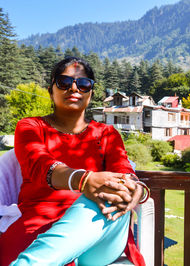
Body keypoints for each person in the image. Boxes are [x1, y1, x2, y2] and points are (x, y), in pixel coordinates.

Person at [0, 57, 148, 265]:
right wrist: (84, 181)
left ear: (91, 93)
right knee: (102, 189)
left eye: (83, 84)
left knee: (108, 192)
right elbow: (39, 163)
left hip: (99, 235)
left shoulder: (106, 134)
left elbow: (123, 171)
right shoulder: (30, 127)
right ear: (51, 90)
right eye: (64, 82)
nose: (74, 88)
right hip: (38, 227)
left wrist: (136, 187)